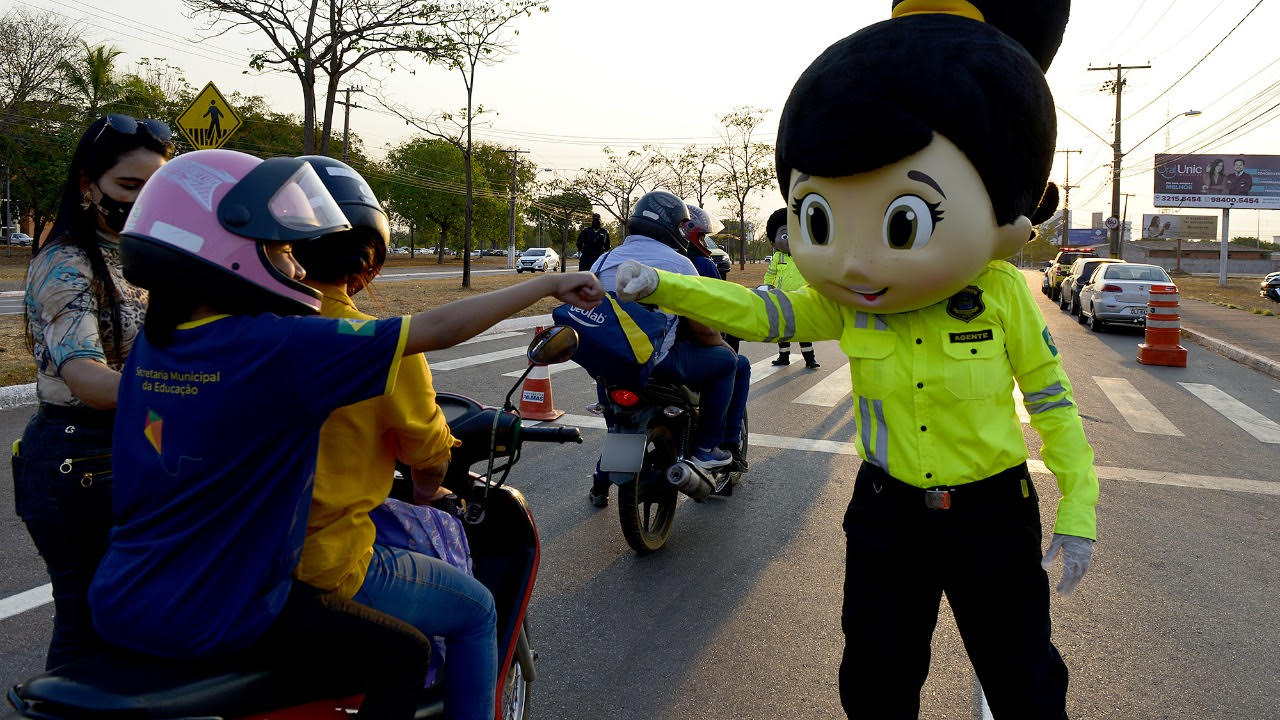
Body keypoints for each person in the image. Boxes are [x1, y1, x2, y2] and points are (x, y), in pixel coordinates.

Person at [613, 2, 1097, 718]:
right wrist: (665, 285)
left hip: (991, 515)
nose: (859, 262)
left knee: (1024, 683)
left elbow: (1052, 401)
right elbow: (765, 314)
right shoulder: (848, 303)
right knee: (875, 683)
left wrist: (1078, 508)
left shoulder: (999, 295)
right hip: (887, 514)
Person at [85, 149, 603, 719]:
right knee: (456, 623)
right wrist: (550, 283)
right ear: (222, 249)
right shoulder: (282, 347)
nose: (297, 268)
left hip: (122, 595)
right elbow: (439, 328)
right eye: (281, 249)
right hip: (226, 604)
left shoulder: (155, 349)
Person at [290, 155, 497, 720]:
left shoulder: (233, 333)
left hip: (232, 560)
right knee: (478, 611)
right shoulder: (377, 344)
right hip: (323, 563)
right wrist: (429, 488)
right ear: (368, 259)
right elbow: (428, 459)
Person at [14, 114, 174, 670]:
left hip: (134, 442)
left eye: (155, 187)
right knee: (86, 623)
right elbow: (86, 378)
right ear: (88, 184)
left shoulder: (142, 257)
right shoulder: (65, 261)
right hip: (76, 456)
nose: (142, 200)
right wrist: (185, 391)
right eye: (128, 185)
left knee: (132, 617)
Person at [586, 191, 750, 507]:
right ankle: (706, 450)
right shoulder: (680, 264)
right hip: (658, 362)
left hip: (609, 367)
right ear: (674, 227)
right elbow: (702, 328)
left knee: (620, 426)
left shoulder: (603, 261)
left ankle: (601, 480)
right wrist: (721, 344)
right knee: (731, 363)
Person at [762, 207, 820, 369]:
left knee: (803, 330)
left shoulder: (805, 256)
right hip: (781, 298)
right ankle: (783, 357)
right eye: (785, 235)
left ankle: (810, 359)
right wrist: (766, 287)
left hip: (802, 298)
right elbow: (770, 274)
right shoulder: (777, 257)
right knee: (782, 330)